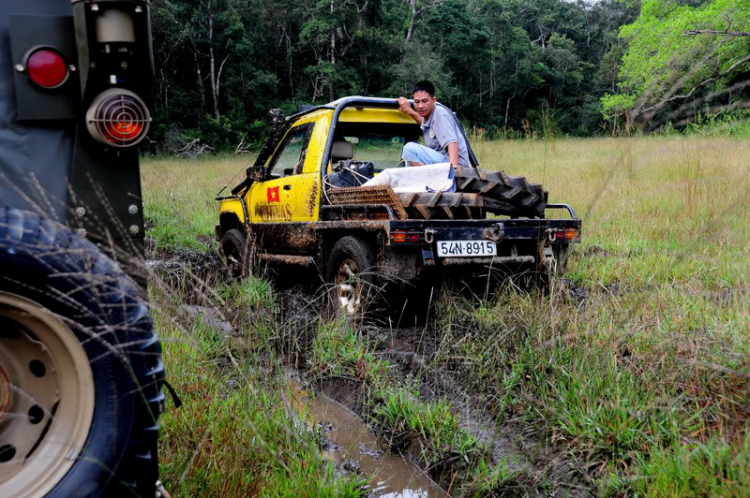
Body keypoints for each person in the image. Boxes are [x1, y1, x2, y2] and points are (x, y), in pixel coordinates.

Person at [397, 80, 470, 167]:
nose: (420, 106)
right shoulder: (430, 117)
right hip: (442, 159)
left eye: (424, 101)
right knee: (408, 161)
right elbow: (424, 123)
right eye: (417, 102)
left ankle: (431, 177)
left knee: (409, 149)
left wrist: (453, 171)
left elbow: (452, 143)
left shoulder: (440, 114)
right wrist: (409, 111)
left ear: (434, 100)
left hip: (454, 162)